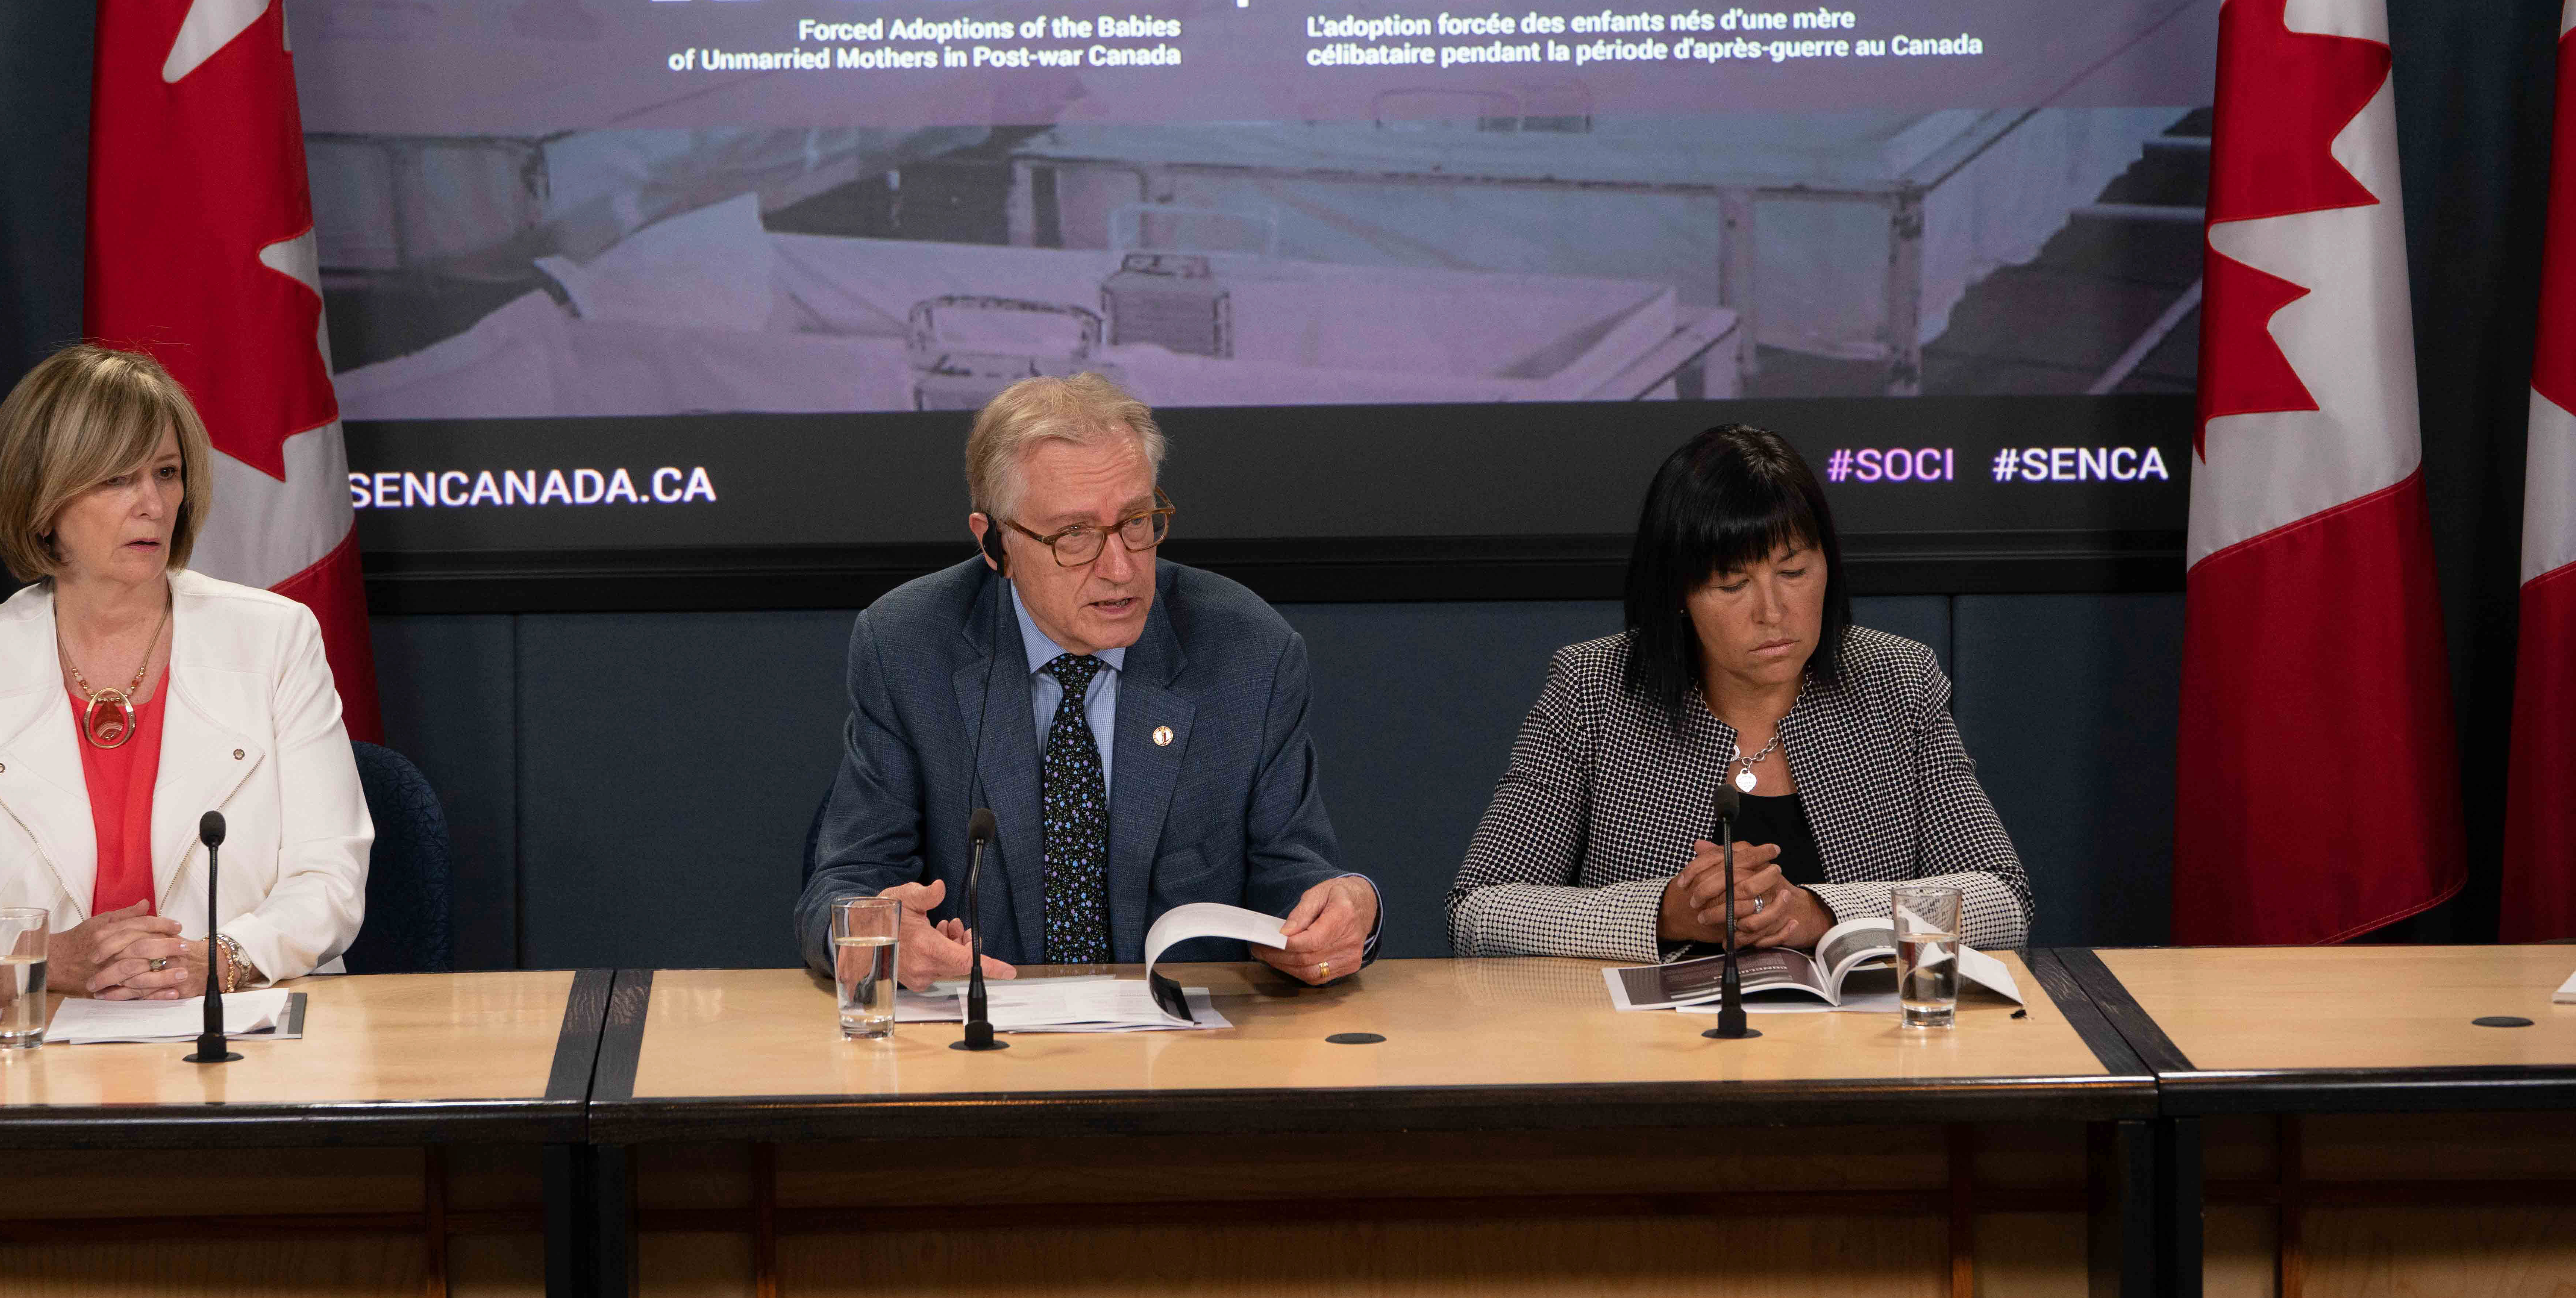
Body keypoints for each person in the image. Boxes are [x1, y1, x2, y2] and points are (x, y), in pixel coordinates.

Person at [795, 373, 1378, 986]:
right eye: (1074, 535)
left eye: (1136, 521)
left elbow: (1296, 877)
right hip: (980, 1051)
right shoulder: (909, 647)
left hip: (1187, 1058)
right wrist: (874, 933)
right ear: (994, 542)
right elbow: (844, 884)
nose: (1121, 567)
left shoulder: (1247, 653)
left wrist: (1346, 907)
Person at [1448, 424, 2031, 961]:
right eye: (1732, 584)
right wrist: (1666, 915)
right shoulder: (1594, 690)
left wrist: (1820, 914)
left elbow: (2002, 900)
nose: (1773, 613)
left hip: (1858, 1049)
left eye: (1795, 572)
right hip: (1651, 1058)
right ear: (1678, 592)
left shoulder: (1897, 681)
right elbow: (1477, 911)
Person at [0, 345, 371, 996]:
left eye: (167, 473)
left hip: (237, 1024)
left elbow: (329, 876)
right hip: (42, 1032)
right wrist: (48, 959)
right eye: (117, 479)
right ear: (42, 499)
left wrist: (219, 960)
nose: (152, 503)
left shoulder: (276, 639)